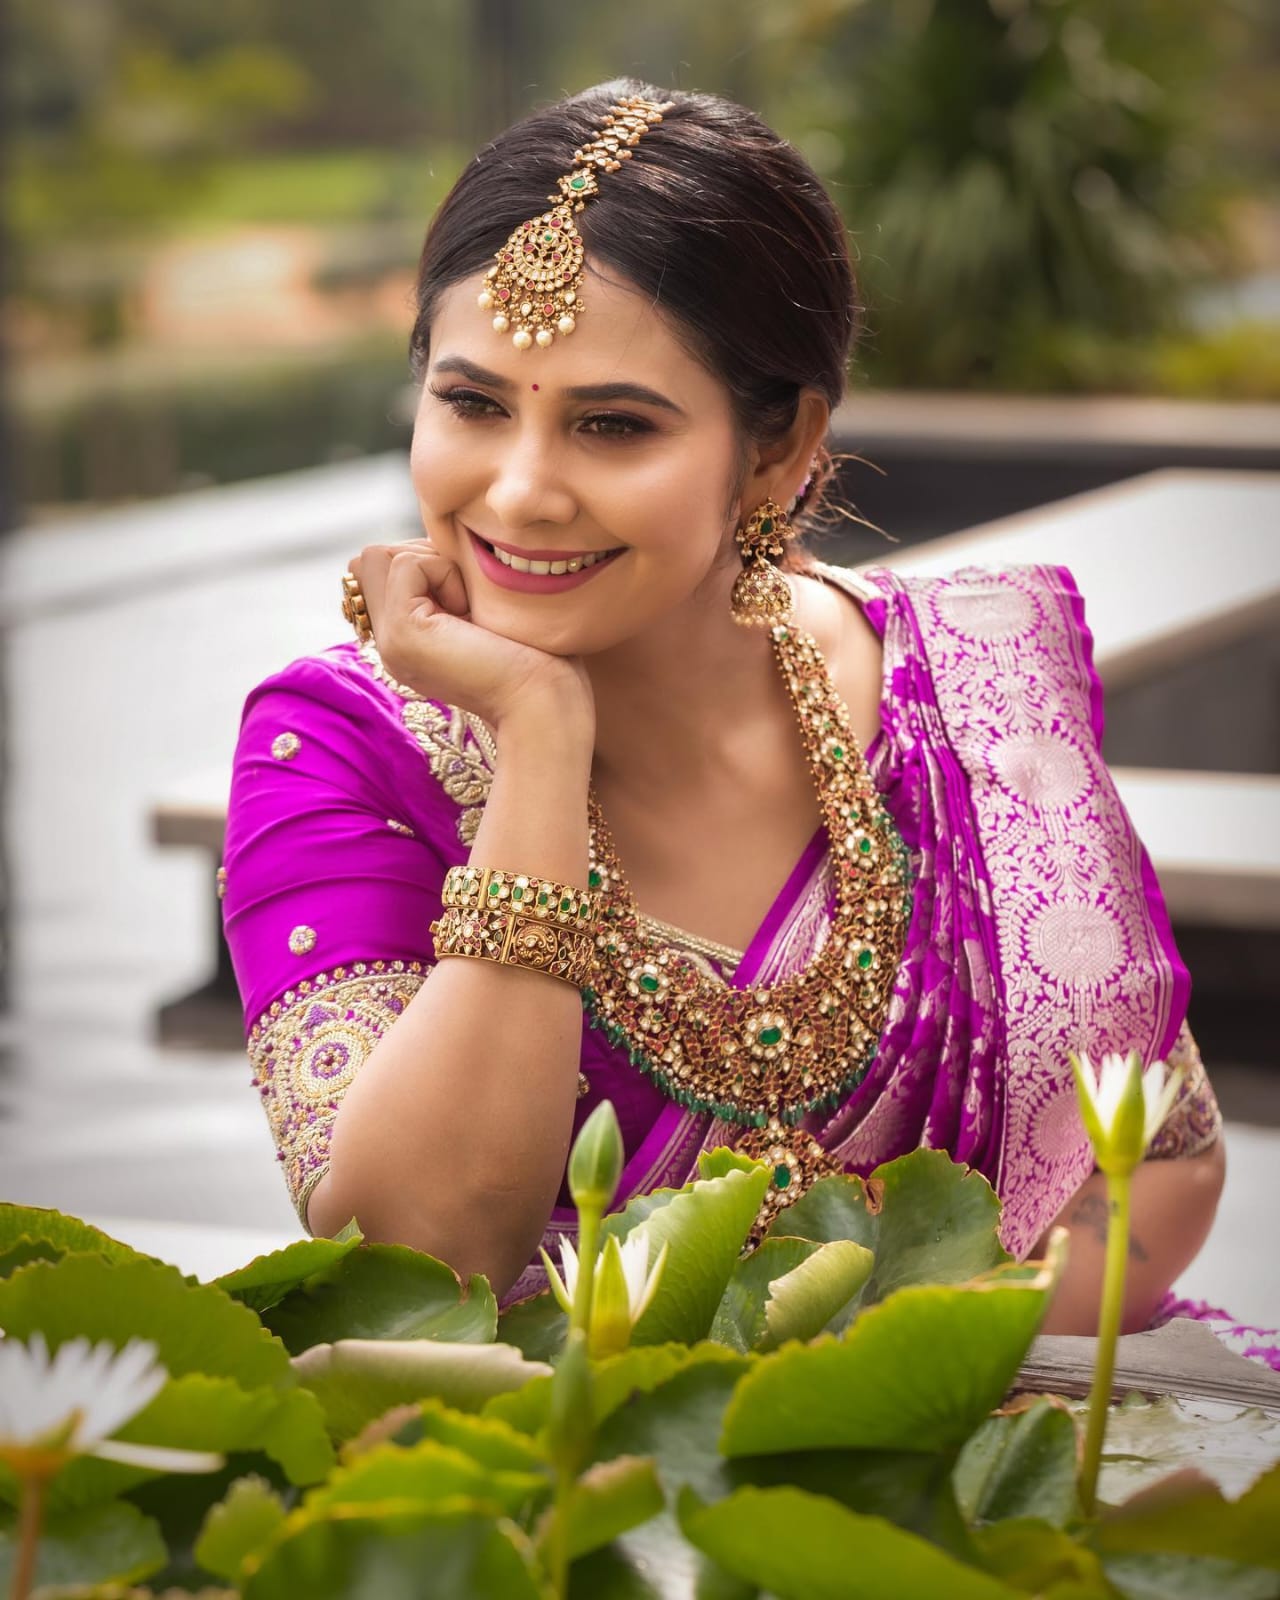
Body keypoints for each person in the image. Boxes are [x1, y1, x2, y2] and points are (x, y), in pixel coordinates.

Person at [221, 80, 1229, 1339]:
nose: (521, 491)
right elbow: (414, 1264)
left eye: (611, 425)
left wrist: (862, 1368)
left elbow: (1160, 1169)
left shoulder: (966, 691)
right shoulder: (342, 745)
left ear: (776, 448)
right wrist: (535, 740)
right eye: (472, 404)